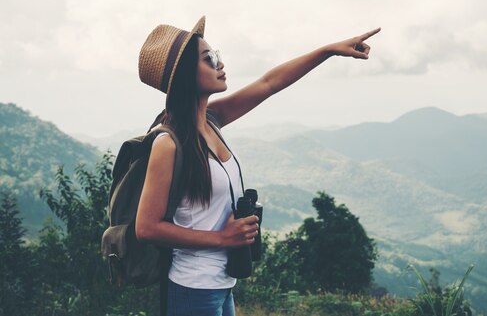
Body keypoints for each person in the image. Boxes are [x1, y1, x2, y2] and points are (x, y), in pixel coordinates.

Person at [134, 16, 380, 316]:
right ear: (184, 75)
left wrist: (327, 51)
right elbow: (146, 227)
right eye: (208, 58)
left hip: (222, 285)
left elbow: (269, 83)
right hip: (193, 290)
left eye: (217, 55)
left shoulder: (211, 121)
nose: (219, 64)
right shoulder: (169, 143)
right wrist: (221, 238)